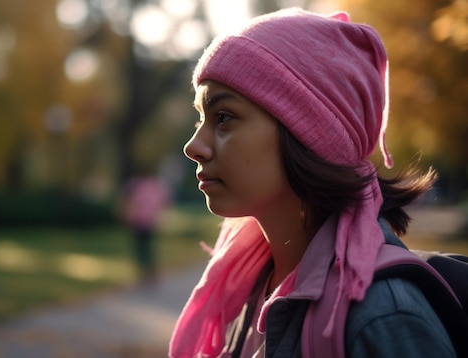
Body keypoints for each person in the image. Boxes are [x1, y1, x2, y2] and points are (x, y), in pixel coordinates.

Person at [169, 8, 457, 358]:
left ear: (308, 133)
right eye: (201, 118)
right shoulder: (248, 284)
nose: (193, 146)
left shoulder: (382, 317)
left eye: (224, 117)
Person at [120, 167, 172, 284]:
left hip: (138, 221)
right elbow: (165, 201)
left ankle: (145, 272)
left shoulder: (135, 185)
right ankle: (149, 272)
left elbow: (128, 201)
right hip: (150, 221)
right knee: (146, 248)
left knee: (141, 248)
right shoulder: (155, 185)